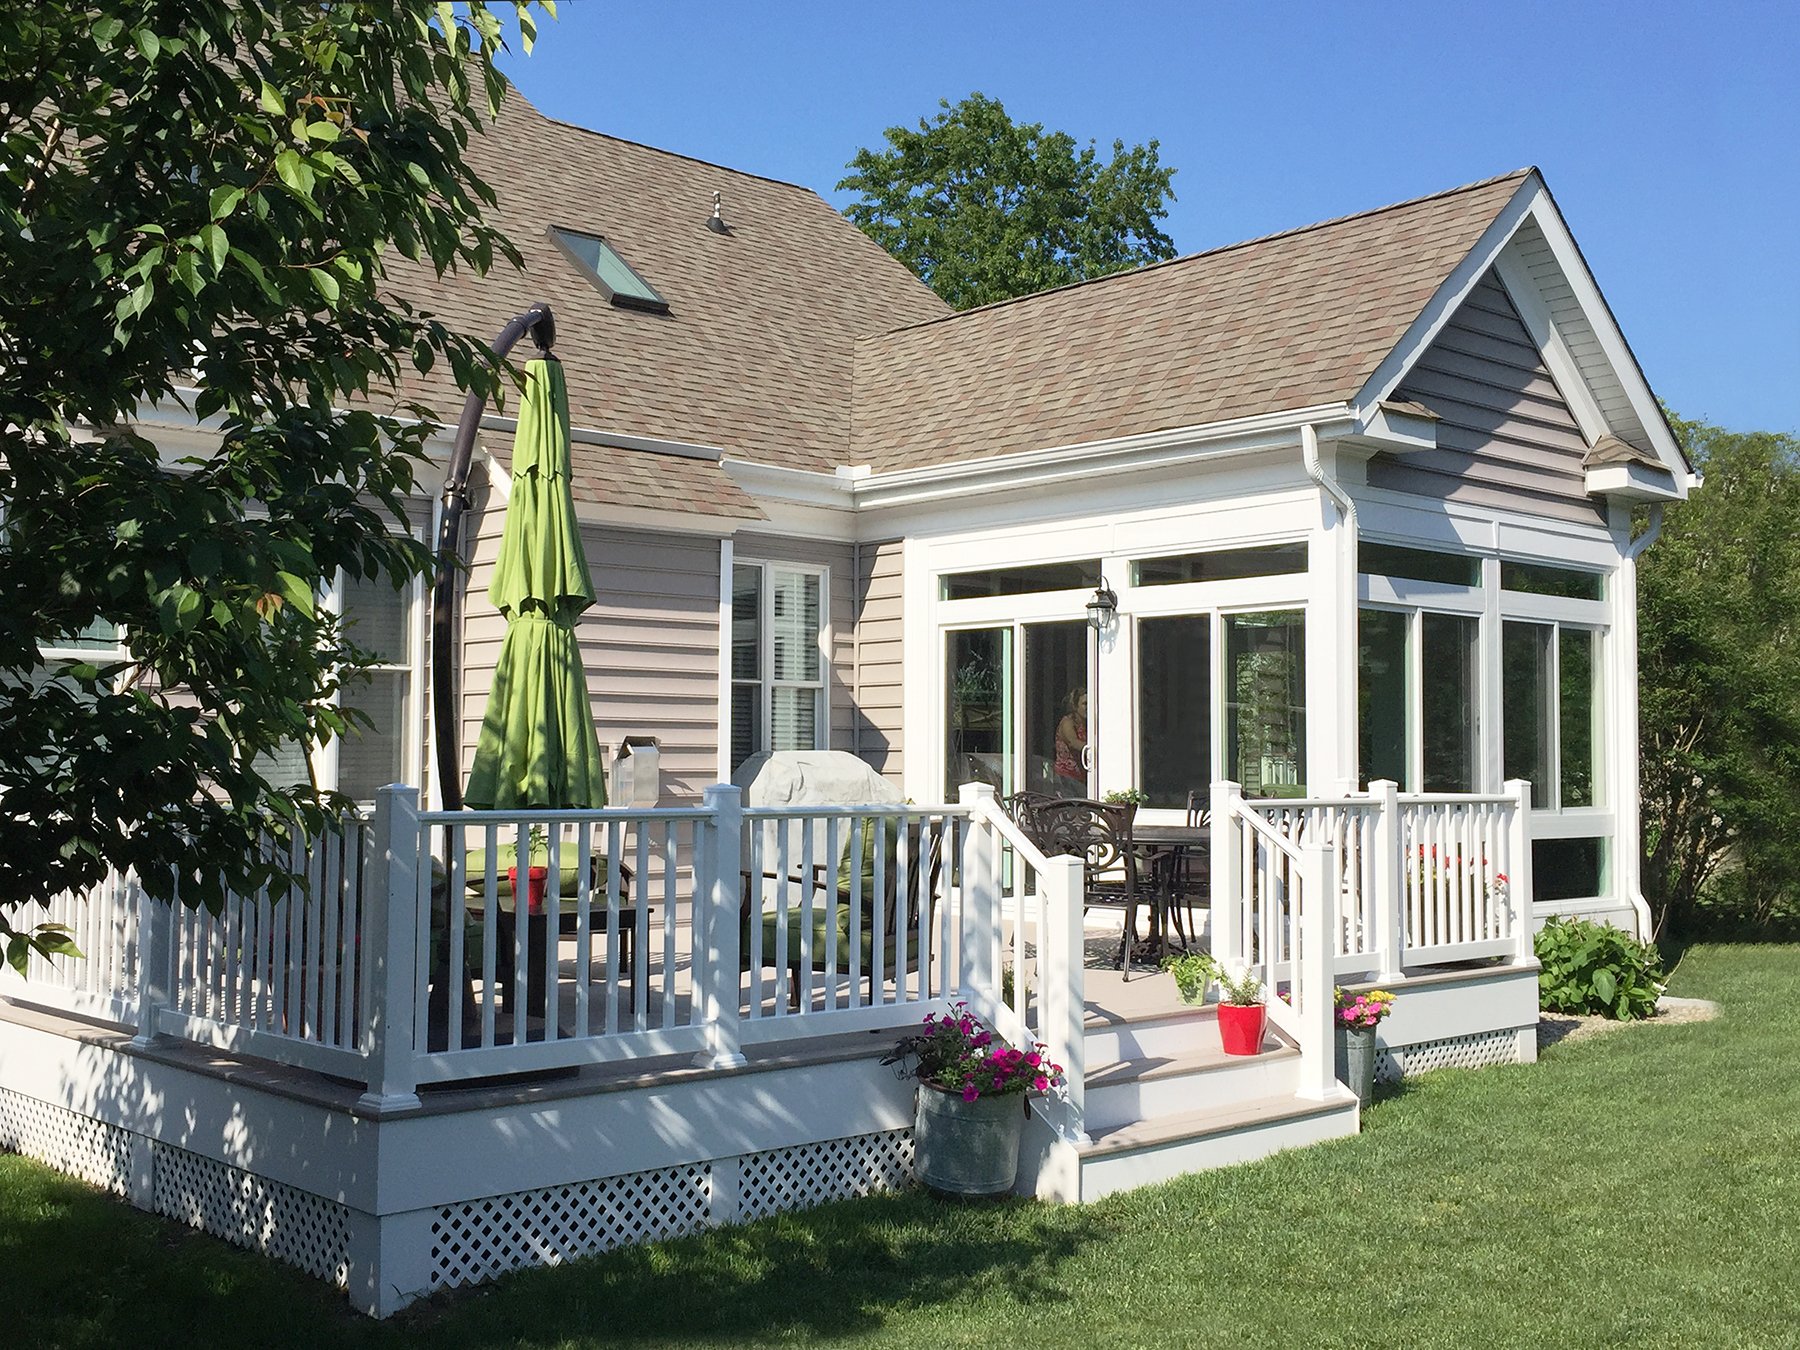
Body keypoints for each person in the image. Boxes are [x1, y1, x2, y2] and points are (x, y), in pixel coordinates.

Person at [1053, 688, 1088, 797]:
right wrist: (1095, 749)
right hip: (1066, 776)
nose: (1088, 707)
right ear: (1075, 706)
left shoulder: (1088, 724)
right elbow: (1073, 742)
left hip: (1082, 776)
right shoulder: (1068, 722)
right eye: (1084, 704)